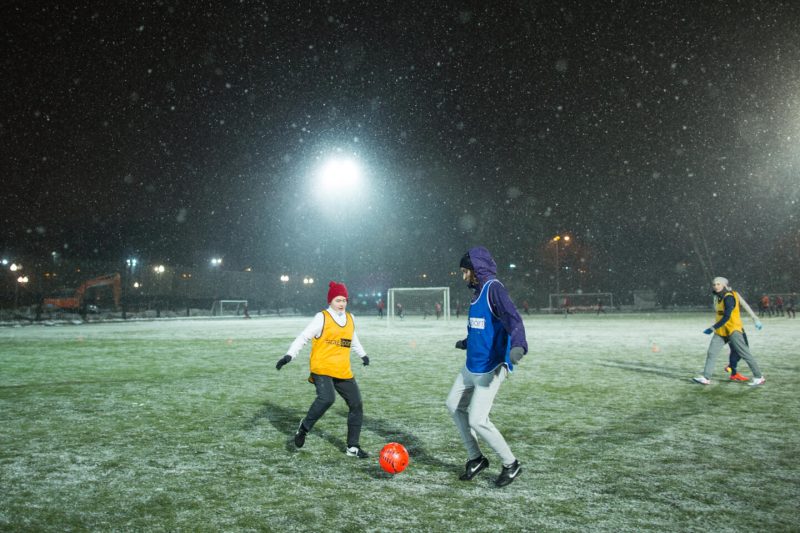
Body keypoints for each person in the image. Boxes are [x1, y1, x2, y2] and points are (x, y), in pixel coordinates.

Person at [446, 246, 528, 487]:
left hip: (491, 367)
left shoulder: (494, 288)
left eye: (465, 271)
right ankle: (476, 459)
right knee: (453, 405)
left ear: (476, 269)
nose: (463, 276)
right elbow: (480, 326)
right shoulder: (477, 293)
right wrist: (467, 342)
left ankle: (511, 464)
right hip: (472, 365)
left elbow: (513, 318)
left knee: (477, 420)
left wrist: (519, 345)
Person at [275, 281, 371, 458]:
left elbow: (352, 338)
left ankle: (352, 447)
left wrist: (363, 355)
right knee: (327, 398)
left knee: (356, 404)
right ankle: (304, 428)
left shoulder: (350, 318)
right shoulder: (322, 317)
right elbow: (303, 337)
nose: (341, 303)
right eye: (338, 300)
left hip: (342, 369)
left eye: (344, 300)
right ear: (330, 301)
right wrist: (289, 356)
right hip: (322, 367)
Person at [693, 277, 765, 386]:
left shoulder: (730, 297)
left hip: (733, 329)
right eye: (714, 284)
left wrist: (755, 319)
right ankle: (706, 378)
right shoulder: (717, 297)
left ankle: (759, 377)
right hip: (721, 330)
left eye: (718, 284)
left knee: (744, 353)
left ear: (724, 285)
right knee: (712, 353)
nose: (716, 286)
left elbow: (728, 316)